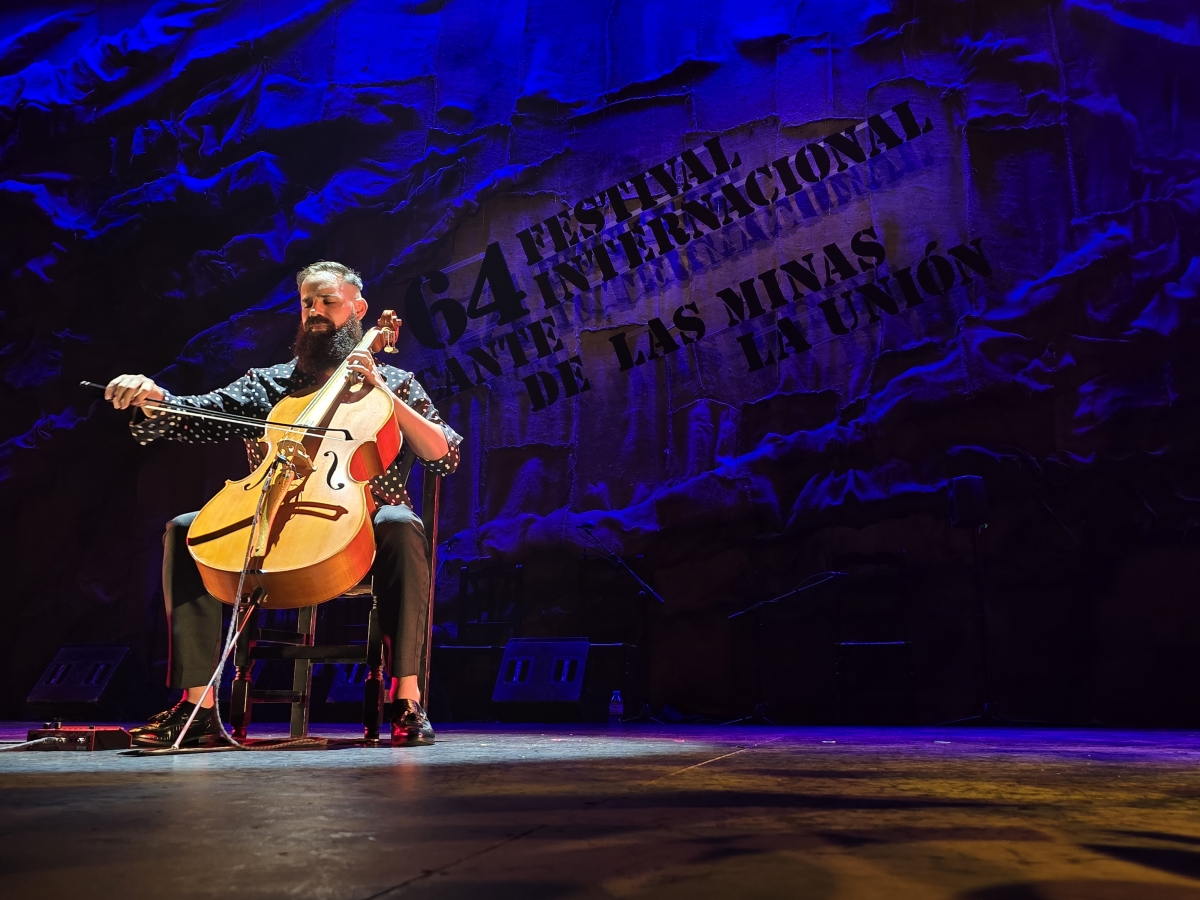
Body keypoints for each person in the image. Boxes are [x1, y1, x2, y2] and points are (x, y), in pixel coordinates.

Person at [105, 261, 462, 748]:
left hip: (361, 528)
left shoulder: (395, 382)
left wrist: (381, 391)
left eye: (327, 302)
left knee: (402, 523)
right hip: (272, 515)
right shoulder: (270, 383)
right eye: (306, 303)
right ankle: (198, 708)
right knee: (187, 530)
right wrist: (154, 396)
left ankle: (407, 699)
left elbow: (444, 455)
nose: (314, 311)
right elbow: (198, 415)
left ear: (357, 310)